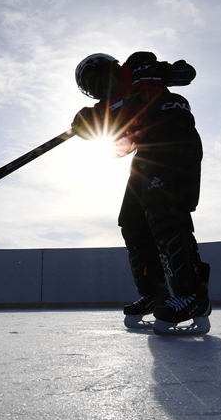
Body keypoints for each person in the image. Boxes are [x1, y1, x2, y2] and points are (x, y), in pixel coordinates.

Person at [71, 51, 211, 336]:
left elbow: (186, 74)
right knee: (132, 221)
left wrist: (159, 72)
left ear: (106, 68)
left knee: (164, 210)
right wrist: (87, 125)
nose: (95, 87)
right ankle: (155, 292)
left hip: (174, 140)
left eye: (93, 78)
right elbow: (120, 143)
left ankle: (192, 295)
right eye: (89, 86)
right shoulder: (111, 106)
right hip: (146, 157)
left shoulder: (135, 68)